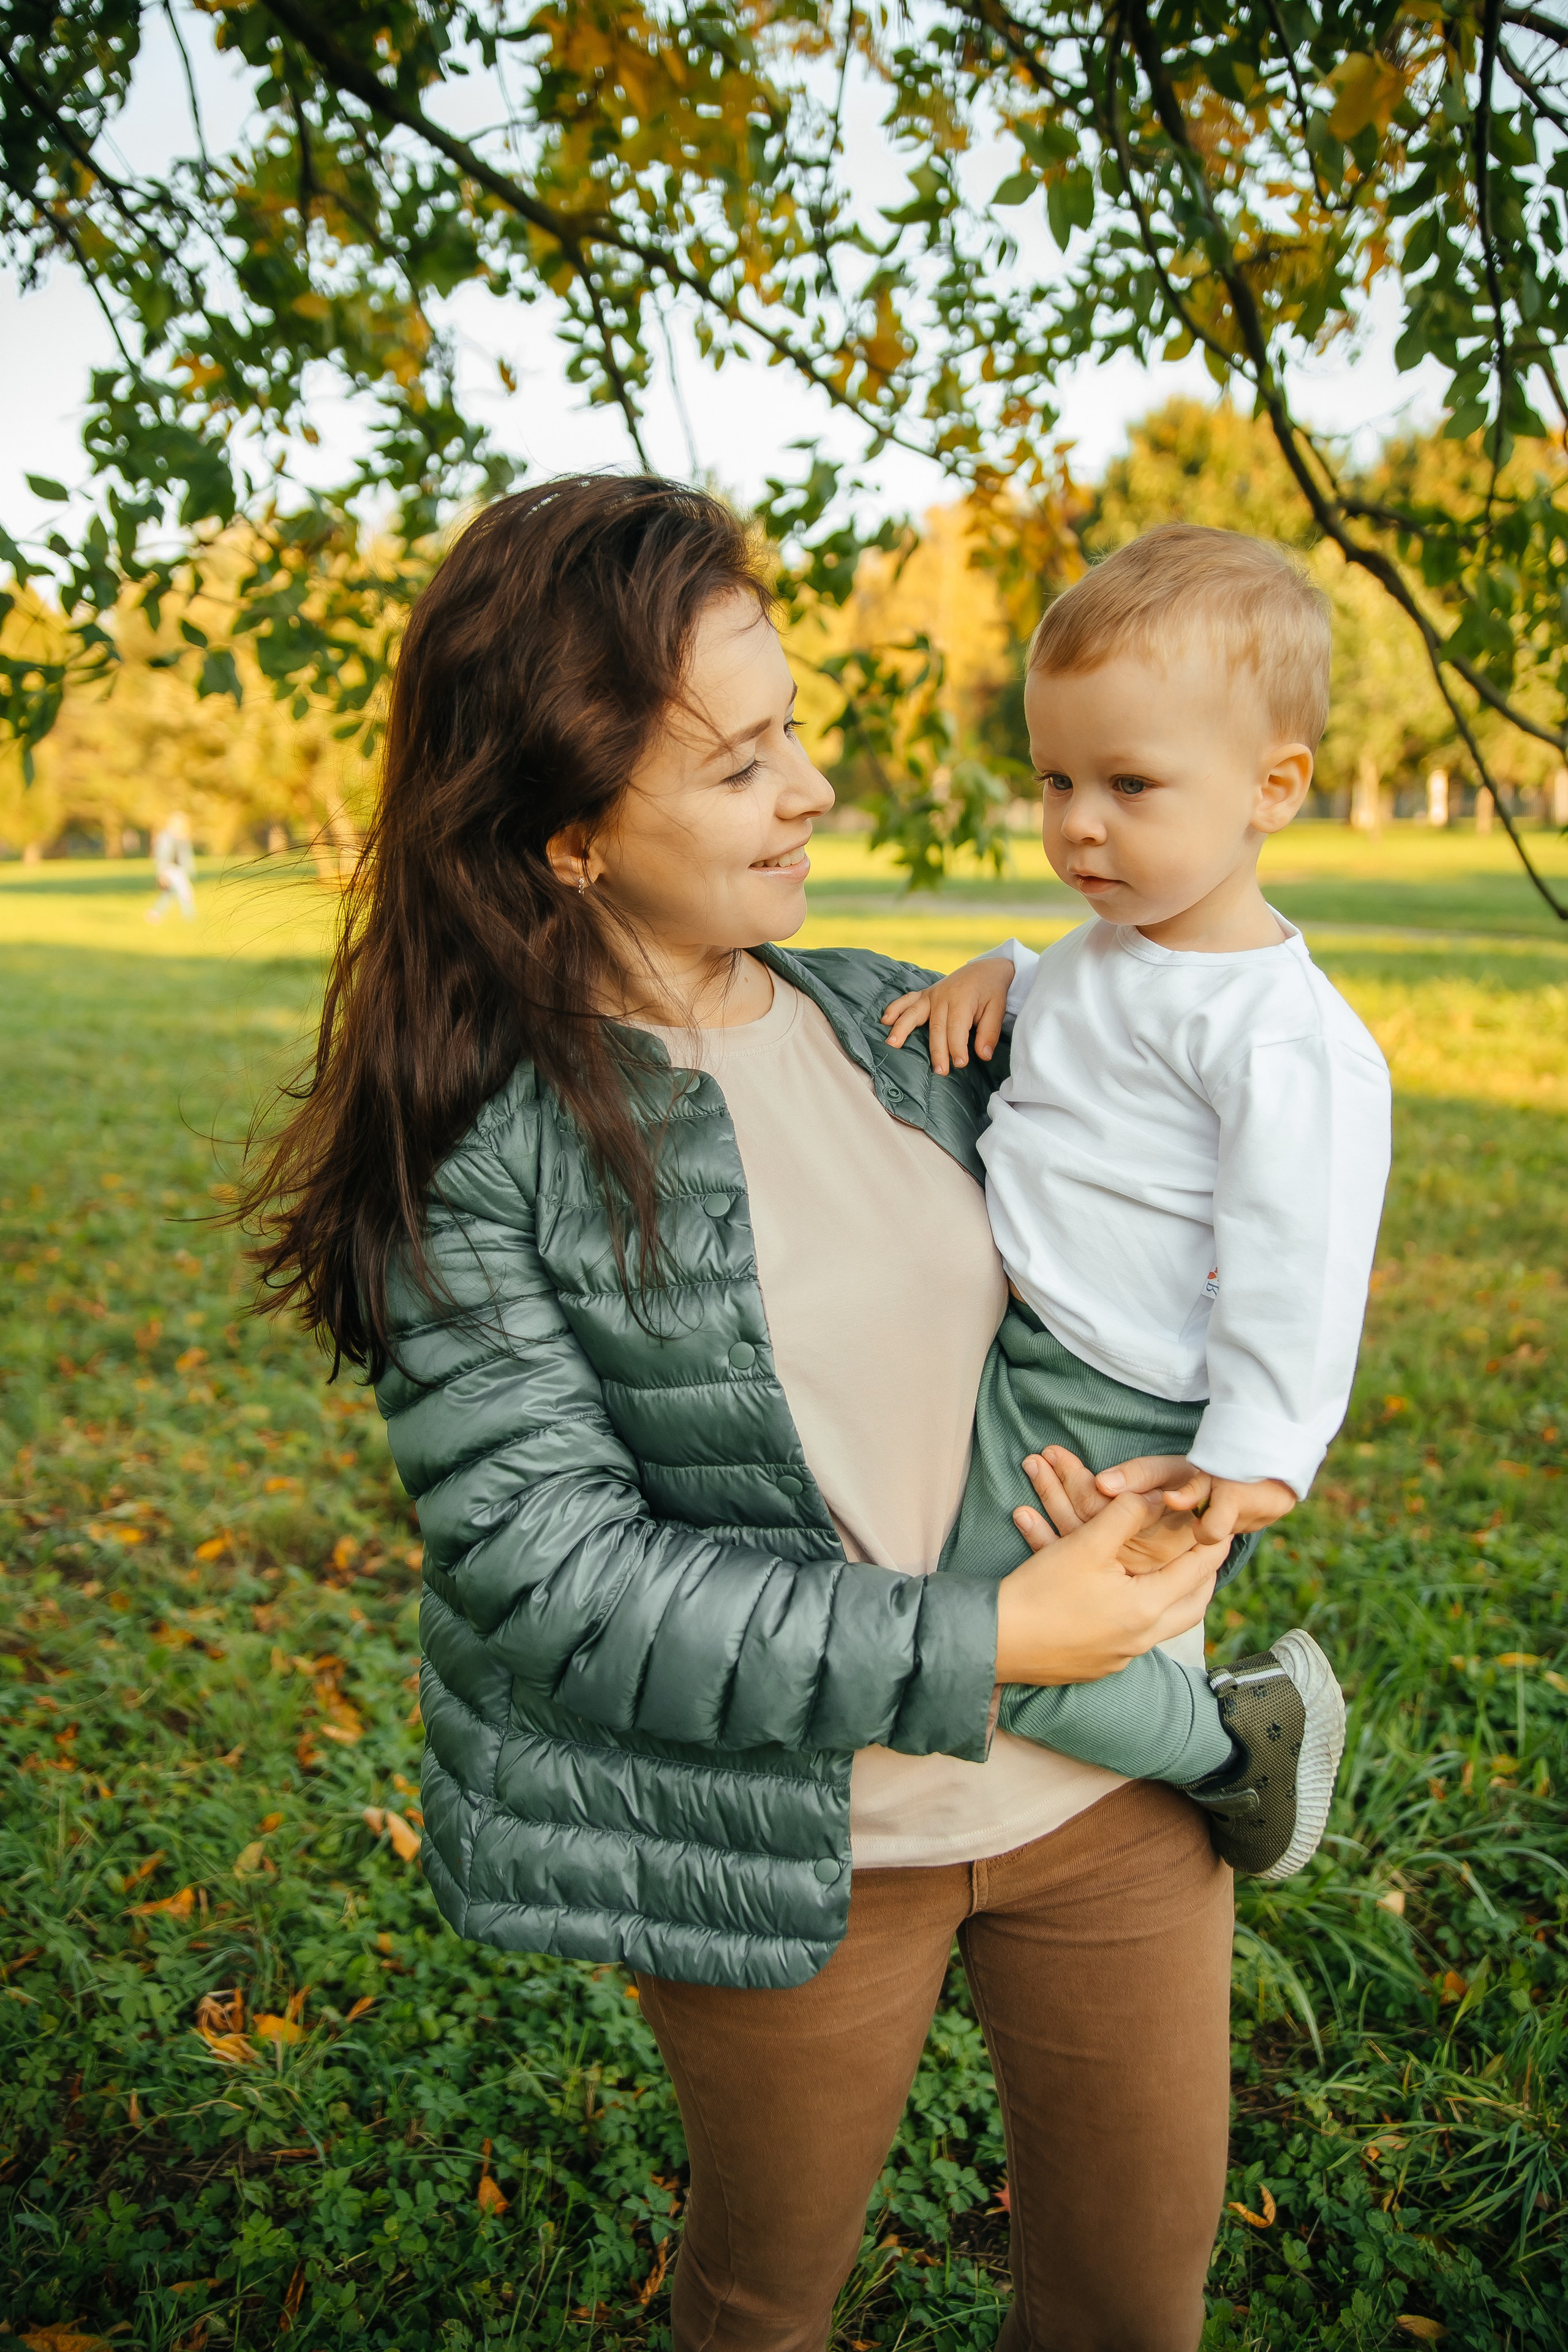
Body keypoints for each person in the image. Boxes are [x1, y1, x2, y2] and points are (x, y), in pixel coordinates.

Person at [245, 477, 1238, 2352]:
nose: (810, 793)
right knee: (764, 2303)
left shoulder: (902, 1022)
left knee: (1133, 2303)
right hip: (793, 1836)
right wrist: (986, 1633)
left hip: (1112, 1782)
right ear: (563, 832)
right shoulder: (482, 1158)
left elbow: (1175, 1233)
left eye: (794, 732)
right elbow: (555, 1574)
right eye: (738, 762)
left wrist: (1218, 1456)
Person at [881, 525, 1392, 1882]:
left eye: (1127, 783)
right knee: (965, 1592)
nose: (1075, 823)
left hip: (1114, 1388)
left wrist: (1260, 1447)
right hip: (1037, 1346)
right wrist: (994, 968)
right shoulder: (1112, 949)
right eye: (1053, 779)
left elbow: (1302, 1251)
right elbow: (1063, 1003)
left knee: (1010, 1645)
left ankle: (1240, 1751)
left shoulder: (1278, 1034)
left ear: (1269, 788)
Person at [146, 812, 197, 921]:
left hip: (178, 870)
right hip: (171, 869)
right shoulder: (167, 838)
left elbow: (186, 857)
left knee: (169, 893)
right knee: (186, 892)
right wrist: (162, 872)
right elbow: (163, 856)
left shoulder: (181, 838)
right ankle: (190, 918)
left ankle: (155, 914)